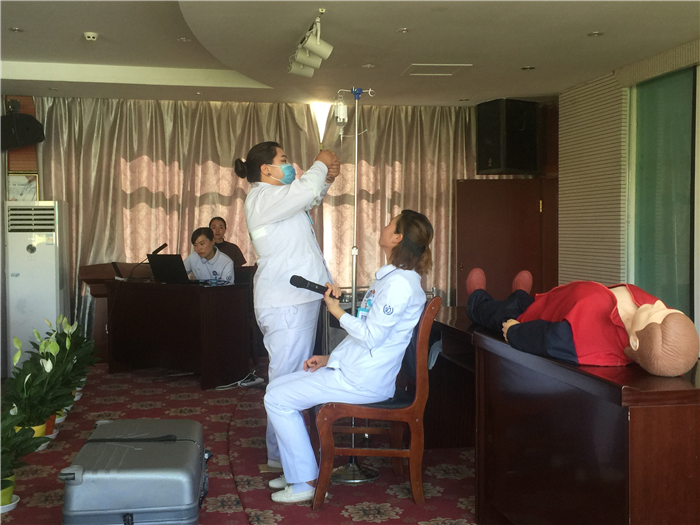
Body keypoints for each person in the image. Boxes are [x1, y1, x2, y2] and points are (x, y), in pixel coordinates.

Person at [263, 210, 434, 503]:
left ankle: (304, 481)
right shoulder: (391, 279)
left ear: (398, 237)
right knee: (276, 388)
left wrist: (336, 311)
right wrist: (330, 358)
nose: (384, 225)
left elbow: (370, 336)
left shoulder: (400, 285)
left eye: (390, 223)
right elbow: (367, 334)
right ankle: (296, 470)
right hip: (355, 370)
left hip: (364, 380)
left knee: (277, 399)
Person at [234, 141, 340, 470]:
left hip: (293, 301)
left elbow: (309, 196)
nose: (289, 164)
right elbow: (305, 191)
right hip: (286, 303)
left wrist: (325, 179)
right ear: (266, 169)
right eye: (283, 159)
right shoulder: (262, 197)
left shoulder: (278, 198)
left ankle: (284, 457)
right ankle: (285, 459)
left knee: (291, 378)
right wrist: (320, 163)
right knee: (287, 382)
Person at [465, 267, 699, 377]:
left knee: (499, 314)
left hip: (533, 318)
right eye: (668, 311)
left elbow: (548, 340)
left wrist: (516, 332)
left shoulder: (590, 345)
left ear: (637, 341)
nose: (658, 305)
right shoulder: (651, 310)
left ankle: (477, 298)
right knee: (527, 300)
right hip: (553, 300)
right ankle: (520, 294)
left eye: (654, 314)